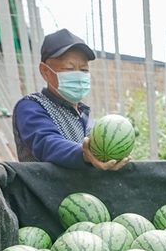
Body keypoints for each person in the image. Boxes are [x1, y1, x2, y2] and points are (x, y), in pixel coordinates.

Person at [12, 28, 128, 170]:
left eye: (84, 70)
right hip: (44, 191)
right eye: (69, 69)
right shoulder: (31, 106)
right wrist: (85, 154)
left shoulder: (84, 114)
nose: (78, 76)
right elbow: (47, 143)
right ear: (45, 72)